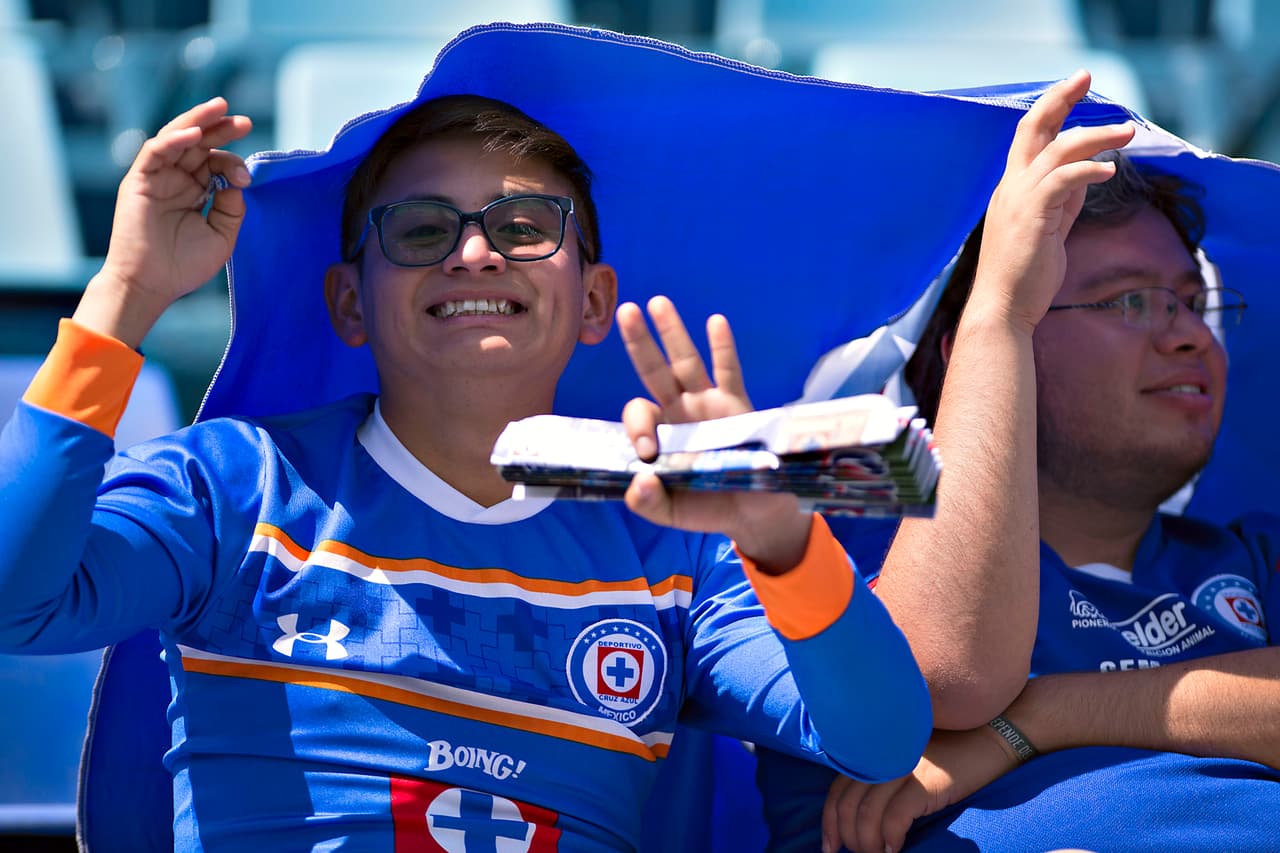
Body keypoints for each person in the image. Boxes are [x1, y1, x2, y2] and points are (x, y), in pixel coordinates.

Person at [0, 90, 932, 850]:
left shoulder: (674, 537)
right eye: (419, 231)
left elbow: (878, 735)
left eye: (525, 225)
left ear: (593, 300)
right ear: (348, 302)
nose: (475, 249)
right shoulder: (234, 486)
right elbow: (15, 597)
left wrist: (779, 536)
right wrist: (126, 294)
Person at [756, 70, 1280, 852]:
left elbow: (989, 707)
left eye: (1191, 300)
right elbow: (944, 672)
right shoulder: (824, 561)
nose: (1188, 336)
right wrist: (998, 312)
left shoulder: (1257, 555)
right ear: (961, 351)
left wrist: (1037, 717)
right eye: (1131, 300)